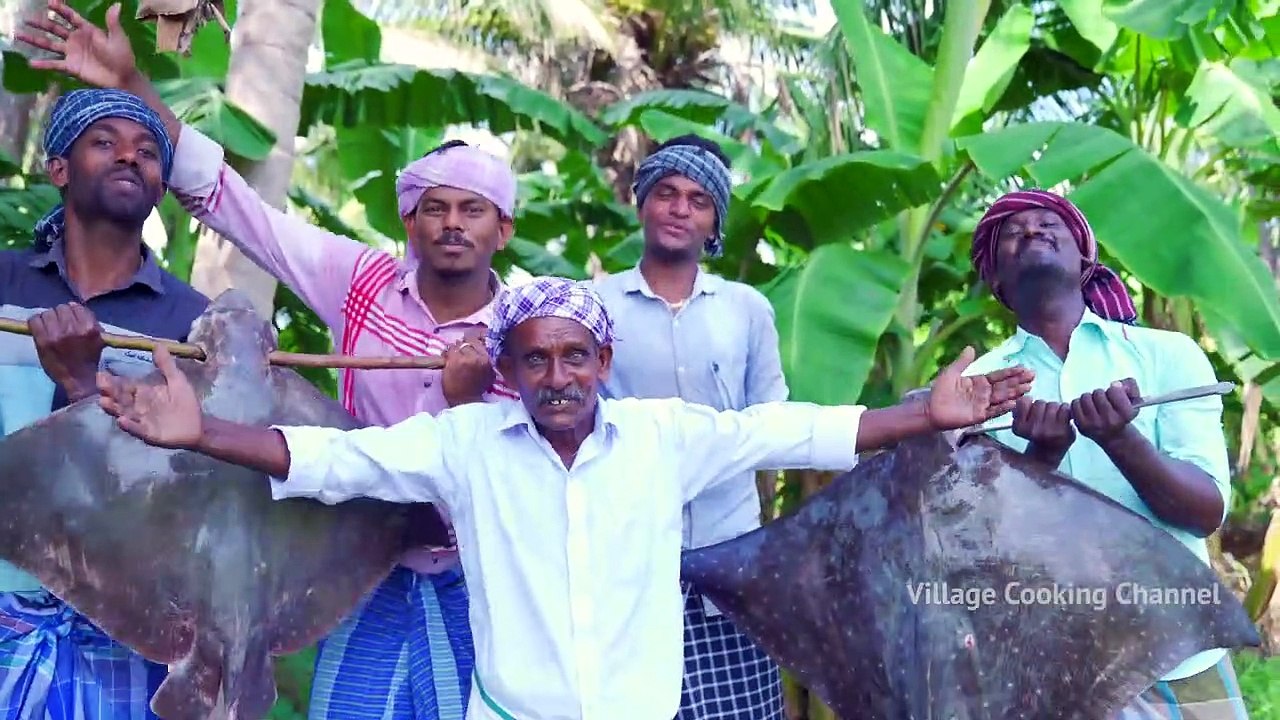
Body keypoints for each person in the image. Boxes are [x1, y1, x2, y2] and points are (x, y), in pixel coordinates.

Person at [95, 276, 1034, 720]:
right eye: (535, 359)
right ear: (506, 369)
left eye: (574, 356)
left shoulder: (664, 437)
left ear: (602, 363)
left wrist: (924, 414)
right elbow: (334, 462)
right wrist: (201, 432)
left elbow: (799, 430)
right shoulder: (467, 444)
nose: (557, 376)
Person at [16, 3, 517, 718]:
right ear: (408, 220)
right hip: (359, 567)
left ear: (504, 227)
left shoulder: (530, 325)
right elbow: (228, 201)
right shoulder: (363, 280)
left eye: (474, 210)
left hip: (478, 576)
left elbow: (539, 450)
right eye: (435, 208)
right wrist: (132, 81)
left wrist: (467, 401)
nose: (452, 225)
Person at [960, 189, 1248, 720]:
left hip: (1184, 651)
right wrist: (1037, 460)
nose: (1034, 233)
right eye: (1015, 234)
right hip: (1063, 666)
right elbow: (980, 549)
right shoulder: (976, 389)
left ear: (1085, 258)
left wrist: (1121, 440)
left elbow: (1205, 511)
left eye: (1051, 226)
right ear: (996, 280)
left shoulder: (1167, 355)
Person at [0, 86, 208, 719]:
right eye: (105, 143)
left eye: (148, 152)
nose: (130, 158)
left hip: (126, 617)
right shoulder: (4, 283)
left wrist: (83, 388)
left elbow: (188, 489)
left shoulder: (191, 322)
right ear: (57, 168)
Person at [593, 134, 788, 718]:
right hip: (627, 557)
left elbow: (771, 422)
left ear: (714, 222)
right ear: (642, 203)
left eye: (699, 200)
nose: (680, 209)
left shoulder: (747, 309)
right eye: (667, 193)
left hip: (730, 564)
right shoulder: (593, 305)